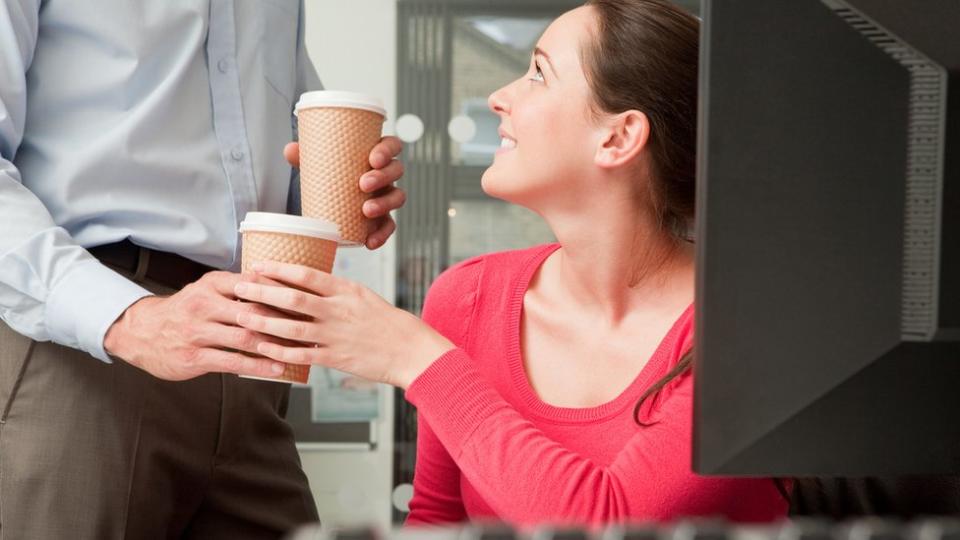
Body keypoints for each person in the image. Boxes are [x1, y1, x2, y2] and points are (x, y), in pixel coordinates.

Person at [229, 0, 789, 528]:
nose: (500, 96)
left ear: (618, 138)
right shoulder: (468, 298)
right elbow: (438, 519)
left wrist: (418, 359)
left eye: (539, 73)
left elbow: (613, 522)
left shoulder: (744, 331)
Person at [0, 1, 405, 538]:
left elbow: (281, 163)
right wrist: (128, 320)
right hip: (87, 355)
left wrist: (348, 189)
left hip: (245, 354)